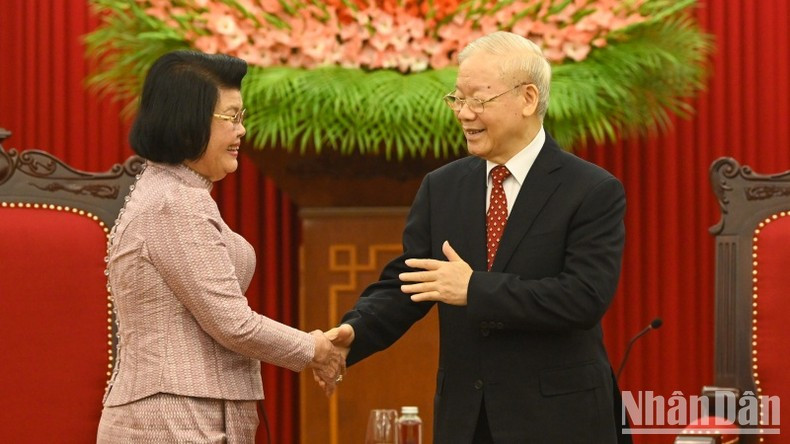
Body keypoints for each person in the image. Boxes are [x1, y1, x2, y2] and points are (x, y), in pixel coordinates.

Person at [327, 31, 628, 443]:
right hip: (467, 422)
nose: (464, 113)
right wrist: (355, 332)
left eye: (478, 100)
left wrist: (475, 289)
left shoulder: (591, 189)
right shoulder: (443, 186)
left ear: (527, 98)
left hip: (559, 421)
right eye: (457, 99)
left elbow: (583, 298)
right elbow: (411, 280)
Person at [97, 50, 344, 442]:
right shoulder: (175, 203)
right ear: (187, 122)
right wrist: (313, 348)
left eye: (241, 117)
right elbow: (232, 324)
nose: (242, 131)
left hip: (187, 413)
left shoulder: (173, 191)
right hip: (174, 420)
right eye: (231, 117)